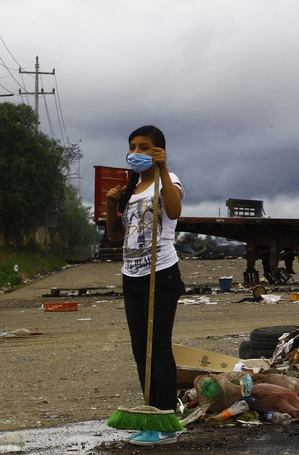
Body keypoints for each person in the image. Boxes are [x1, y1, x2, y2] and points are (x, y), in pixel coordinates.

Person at [105, 125, 185, 446]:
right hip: (132, 276)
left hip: (161, 274)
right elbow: (115, 236)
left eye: (145, 147)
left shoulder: (170, 180)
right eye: (133, 147)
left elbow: (175, 210)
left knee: (159, 349)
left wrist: (164, 168)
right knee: (141, 352)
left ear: (158, 151)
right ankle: (150, 417)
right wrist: (112, 205)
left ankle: (165, 423)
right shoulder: (132, 187)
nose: (137, 152)